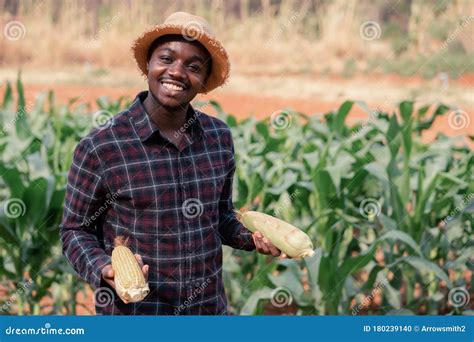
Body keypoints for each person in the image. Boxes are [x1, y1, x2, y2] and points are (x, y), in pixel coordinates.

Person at [59, 11, 282, 315]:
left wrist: (253, 237)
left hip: (206, 310)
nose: (177, 72)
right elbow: (75, 229)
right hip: (136, 314)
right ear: (148, 64)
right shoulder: (103, 145)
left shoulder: (218, 137)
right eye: (166, 59)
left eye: (193, 66)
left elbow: (219, 217)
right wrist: (104, 267)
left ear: (203, 81)